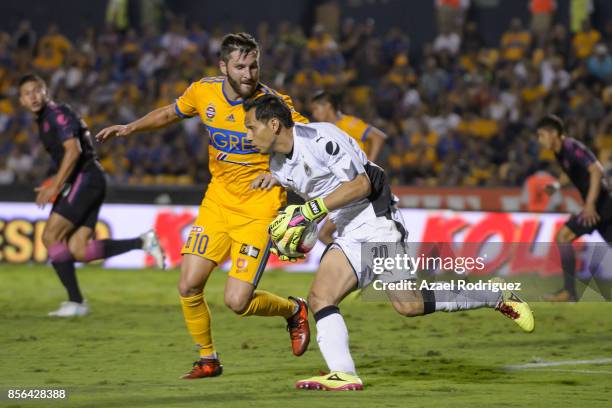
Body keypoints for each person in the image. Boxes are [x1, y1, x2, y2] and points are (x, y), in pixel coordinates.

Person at [245, 94, 534, 391]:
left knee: (409, 305)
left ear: (275, 124)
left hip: (376, 218)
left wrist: (310, 211)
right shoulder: (277, 166)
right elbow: (315, 203)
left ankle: (493, 294)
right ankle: (343, 374)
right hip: (347, 227)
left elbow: (361, 185)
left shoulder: (322, 138)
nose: (248, 134)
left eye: (251, 127)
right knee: (320, 297)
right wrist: (299, 237)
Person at [96, 33, 310, 379]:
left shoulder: (274, 104)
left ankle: (293, 310)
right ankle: (208, 358)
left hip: (259, 209)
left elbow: (309, 139)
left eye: (254, 65)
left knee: (237, 302)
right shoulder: (203, 91)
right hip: (218, 204)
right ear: (223, 66)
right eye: (240, 66)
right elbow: (170, 112)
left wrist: (283, 177)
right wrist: (130, 128)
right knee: (188, 285)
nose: (249, 73)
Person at [18, 74, 165, 317]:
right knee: (78, 250)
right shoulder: (44, 119)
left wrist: (55, 186)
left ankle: (76, 302)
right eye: (27, 93)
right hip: (88, 180)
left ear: (46, 91)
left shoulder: (56, 113)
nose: (33, 96)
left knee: (51, 236)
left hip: (85, 179)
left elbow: (73, 151)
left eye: (37, 90)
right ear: (21, 101)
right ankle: (142, 242)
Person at [536, 114, 612, 302]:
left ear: (553, 133)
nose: (540, 140)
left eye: (541, 135)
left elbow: (597, 171)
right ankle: (568, 292)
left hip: (601, 205)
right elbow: (569, 172)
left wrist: (589, 204)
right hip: (598, 206)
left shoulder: (571, 147)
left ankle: (569, 292)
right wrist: (557, 186)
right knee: (563, 237)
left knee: (563, 237)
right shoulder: (560, 151)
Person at [310, 90, 387, 245]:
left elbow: (378, 137)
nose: (314, 114)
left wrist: (369, 166)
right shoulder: (322, 129)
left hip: (356, 187)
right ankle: (355, 263)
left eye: (316, 109)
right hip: (342, 187)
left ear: (328, 107)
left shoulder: (349, 124)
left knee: (325, 233)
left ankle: (348, 263)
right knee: (331, 233)